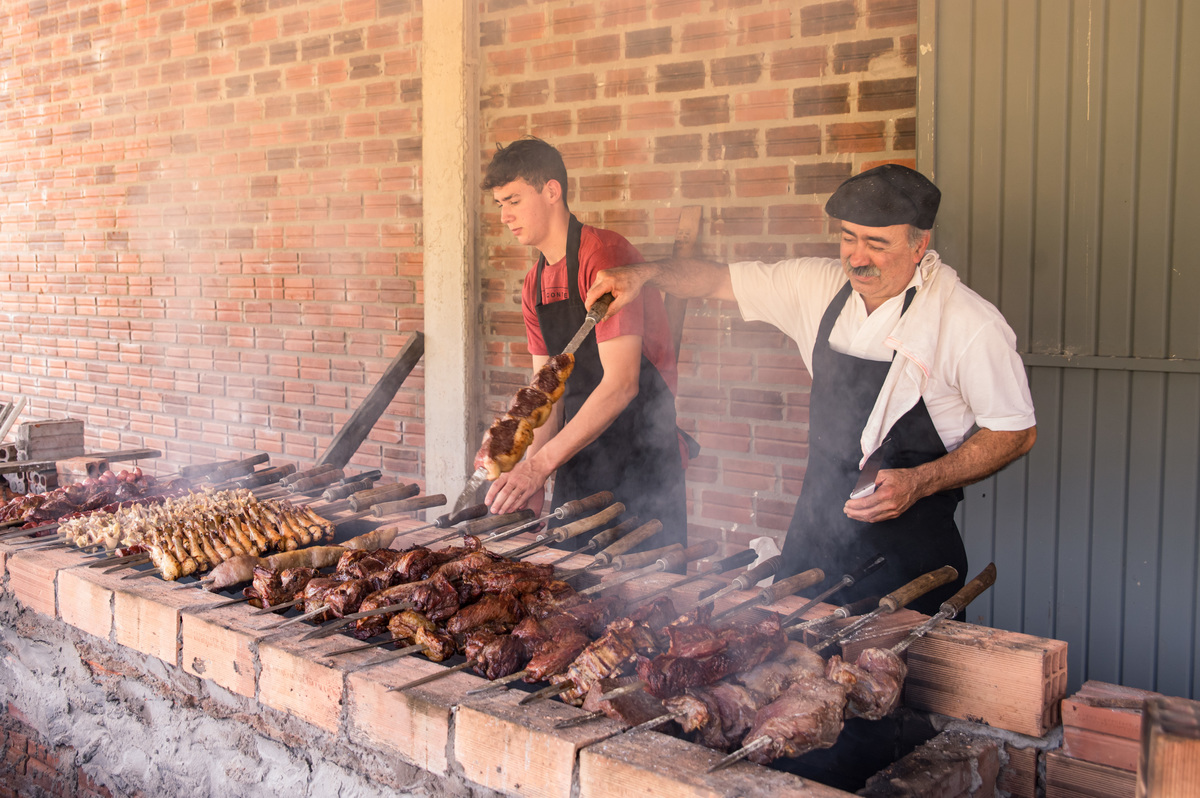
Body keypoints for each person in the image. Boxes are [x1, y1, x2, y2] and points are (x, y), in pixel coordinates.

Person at [585, 163, 1036, 613]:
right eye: (848, 238)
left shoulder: (968, 324)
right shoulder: (817, 286)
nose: (857, 258)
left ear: (920, 246)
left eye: (877, 244)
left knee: (893, 679)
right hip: (813, 542)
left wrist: (921, 481)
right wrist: (644, 275)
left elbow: (1015, 431)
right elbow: (716, 278)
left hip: (907, 561)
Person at [480, 137, 688, 554]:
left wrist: (538, 467)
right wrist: (528, 473)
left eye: (514, 201)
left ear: (552, 191)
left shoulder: (603, 256)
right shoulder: (533, 283)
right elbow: (547, 397)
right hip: (576, 456)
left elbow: (622, 384)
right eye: (500, 204)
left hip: (639, 455)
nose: (504, 216)